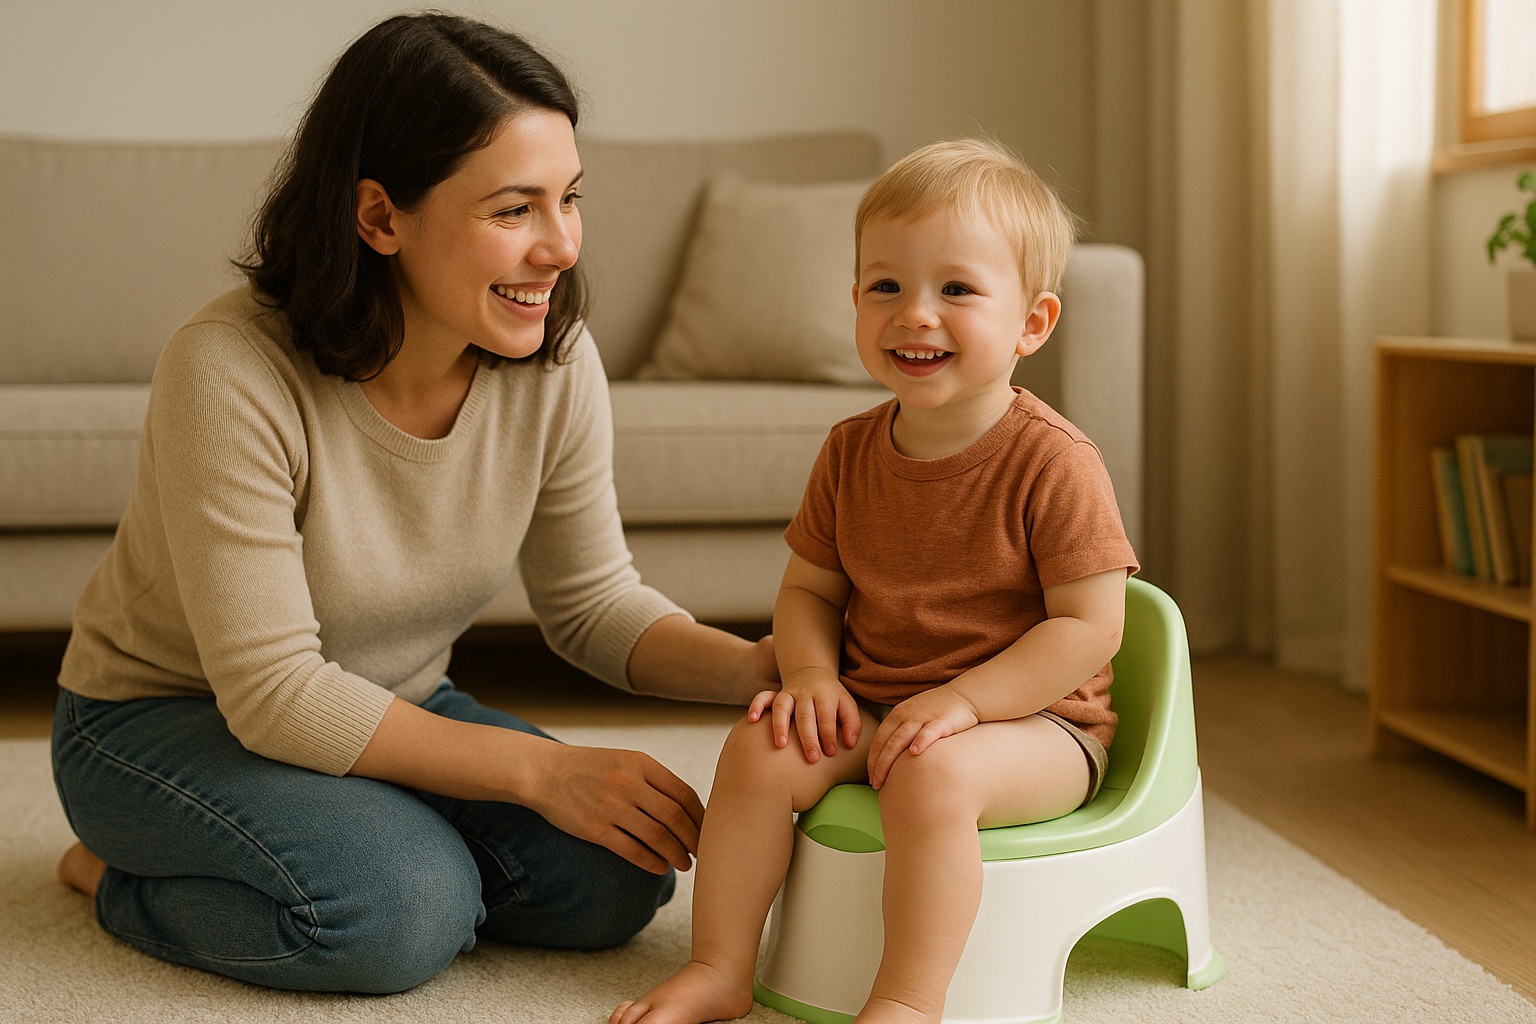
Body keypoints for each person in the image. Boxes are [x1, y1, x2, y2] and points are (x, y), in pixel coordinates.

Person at [49, 12, 775, 995]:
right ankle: (112, 877)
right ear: (380, 218)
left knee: (620, 874)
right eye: (514, 210)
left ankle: (388, 843)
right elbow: (275, 694)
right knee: (397, 913)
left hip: (393, 700)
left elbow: (593, 603)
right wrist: (537, 773)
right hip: (159, 721)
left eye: (569, 199)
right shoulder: (228, 370)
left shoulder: (554, 361)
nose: (562, 247)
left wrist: (761, 668)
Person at [612, 138, 1138, 1024]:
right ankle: (720, 968)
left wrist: (965, 702)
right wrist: (811, 677)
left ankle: (907, 1000)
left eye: (957, 290)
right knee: (758, 749)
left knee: (931, 776)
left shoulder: (1055, 461)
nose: (915, 315)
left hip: (1036, 726)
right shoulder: (850, 451)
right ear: (855, 302)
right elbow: (809, 594)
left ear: (1032, 323)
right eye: (887, 287)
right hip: (879, 701)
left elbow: (1090, 628)